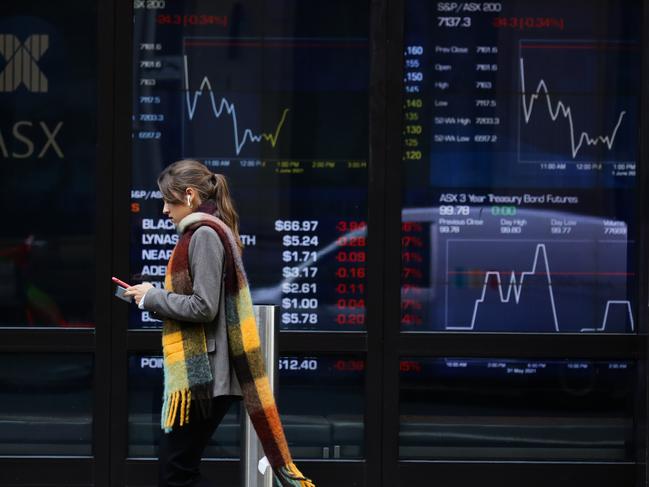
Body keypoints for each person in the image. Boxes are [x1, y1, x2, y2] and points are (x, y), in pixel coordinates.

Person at [124, 160, 314, 487]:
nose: (164, 211)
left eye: (168, 201)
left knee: (175, 472)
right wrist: (149, 296)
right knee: (179, 468)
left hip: (207, 376)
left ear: (189, 195)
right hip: (207, 375)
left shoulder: (205, 235)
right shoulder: (208, 231)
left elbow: (203, 307)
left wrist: (153, 296)